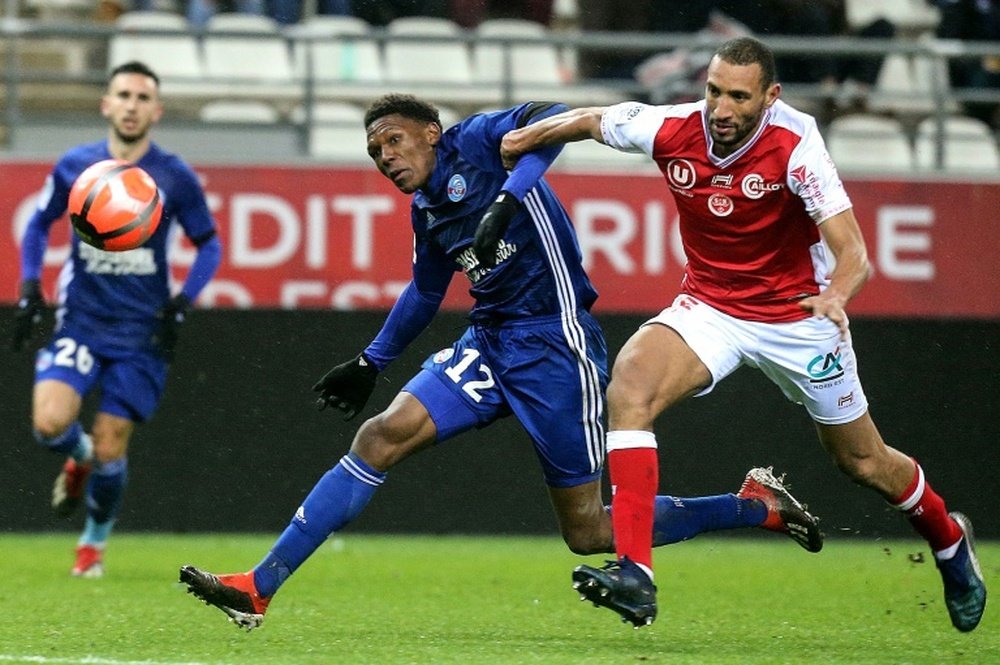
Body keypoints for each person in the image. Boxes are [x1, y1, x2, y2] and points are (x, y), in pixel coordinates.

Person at [178, 93, 822, 631]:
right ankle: (259, 587)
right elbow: (428, 290)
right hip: (489, 341)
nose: (387, 157)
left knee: (590, 532)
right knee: (379, 435)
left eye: (395, 141)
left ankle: (754, 505)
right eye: (376, 152)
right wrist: (371, 361)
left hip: (556, 345)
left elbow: (557, 119)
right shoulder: (427, 209)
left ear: (431, 133)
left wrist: (509, 198)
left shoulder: (481, 140)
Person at [500, 36, 987, 632]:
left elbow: (853, 252)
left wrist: (835, 295)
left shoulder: (796, 143)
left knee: (863, 462)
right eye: (712, 92)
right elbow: (591, 119)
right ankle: (636, 571)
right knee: (630, 388)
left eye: (737, 96)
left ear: (770, 97)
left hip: (800, 320)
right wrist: (525, 138)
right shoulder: (671, 127)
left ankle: (947, 541)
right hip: (710, 307)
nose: (721, 109)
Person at [11, 60, 222, 578]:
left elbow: (209, 245)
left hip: (141, 331)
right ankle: (76, 456)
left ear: (157, 110)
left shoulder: (174, 176)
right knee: (49, 423)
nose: (132, 105)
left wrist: (182, 301)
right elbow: (38, 224)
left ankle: (92, 544)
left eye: (142, 97)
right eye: (123, 95)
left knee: (112, 447)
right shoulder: (76, 166)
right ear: (106, 104)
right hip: (81, 321)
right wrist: (29, 283)